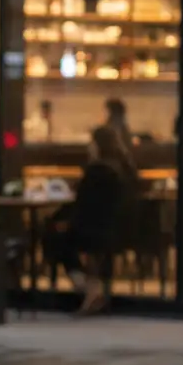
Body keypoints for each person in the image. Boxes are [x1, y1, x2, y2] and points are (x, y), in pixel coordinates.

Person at [44, 124, 126, 314]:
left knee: (53, 237)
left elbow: (83, 205)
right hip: (116, 230)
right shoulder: (123, 167)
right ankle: (92, 288)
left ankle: (88, 288)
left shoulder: (97, 171)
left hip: (91, 230)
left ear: (97, 145)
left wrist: (66, 223)